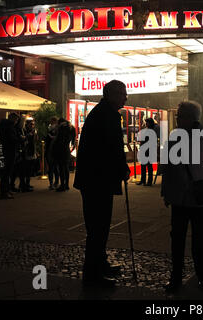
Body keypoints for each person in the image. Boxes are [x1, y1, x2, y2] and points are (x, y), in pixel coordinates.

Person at [161, 101, 203, 294]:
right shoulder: (174, 137)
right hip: (179, 197)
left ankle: (201, 275)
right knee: (178, 238)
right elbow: (168, 168)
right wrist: (166, 192)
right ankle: (177, 276)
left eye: (180, 115)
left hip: (198, 197)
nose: (177, 118)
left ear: (190, 117)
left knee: (199, 238)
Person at [73, 80, 131, 287]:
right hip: (98, 181)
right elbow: (111, 149)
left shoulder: (102, 113)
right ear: (112, 94)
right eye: (123, 94)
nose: (126, 97)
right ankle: (93, 274)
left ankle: (100, 264)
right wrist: (122, 169)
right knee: (98, 228)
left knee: (99, 227)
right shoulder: (107, 116)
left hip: (94, 180)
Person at [0, 113, 20, 199]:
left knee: (7, 171)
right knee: (7, 172)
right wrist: (20, 139)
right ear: (13, 119)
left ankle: (6, 190)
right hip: (10, 150)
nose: (16, 122)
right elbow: (12, 139)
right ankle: (4, 192)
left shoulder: (4, 126)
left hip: (6, 150)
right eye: (16, 120)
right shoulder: (9, 127)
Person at [53, 118, 76, 192]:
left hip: (60, 149)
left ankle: (62, 185)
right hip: (66, 149)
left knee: (61, 167)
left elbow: (58, 139)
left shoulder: (61, 127)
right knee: (66, 167)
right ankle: (67, 185)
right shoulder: (71, 127)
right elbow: (73, 142)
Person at [10, 116, 31, 192]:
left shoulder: (22, 129)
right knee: (18, 169)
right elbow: (18, 138)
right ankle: (17, 185)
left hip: (22, 151)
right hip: (18, 151)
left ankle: (22, 185)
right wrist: (25, 137)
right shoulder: (16, 129)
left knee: (21, 169)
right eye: (24, 122)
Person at [136, 118, 158, 186]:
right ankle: (143, 180)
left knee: (149, 166)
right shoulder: (147, 130)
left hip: (148, 150)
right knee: (143, 166)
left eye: (147, 122)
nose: (146, 124)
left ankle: (149, 181)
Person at [23, 119, 38, 190]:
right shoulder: (25, 131)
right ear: (27, 124)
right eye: (31, 124)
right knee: (27, 169)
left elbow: (35, 140)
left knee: (30, 169)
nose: (32, 126)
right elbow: (25, 141)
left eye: (33, 124)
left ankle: (28, 184)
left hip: (32, 151)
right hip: (27, 152)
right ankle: (25, 185)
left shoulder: (33, 131)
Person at [46, 116, 59, 190]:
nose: (51, 122)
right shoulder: (53, 129)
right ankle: (54, 183)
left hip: (52, 150)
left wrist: (51, 137)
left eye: (52, 121)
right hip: (52, 150)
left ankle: (53, 183)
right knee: (54, 168)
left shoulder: (55, 129)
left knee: (52, 168)